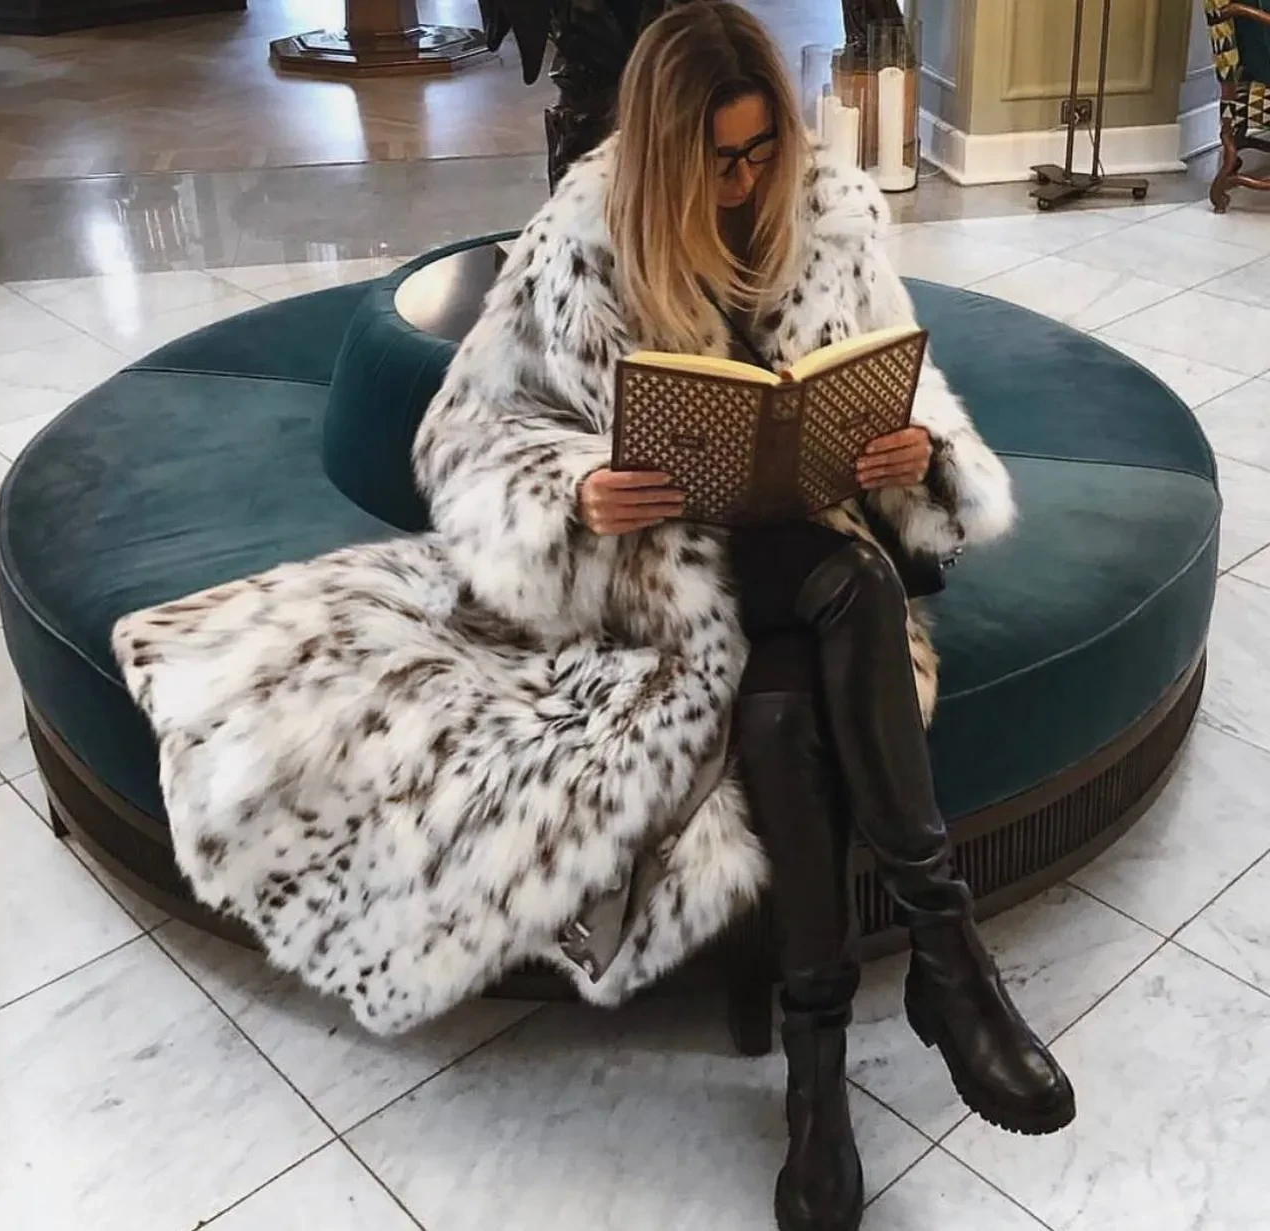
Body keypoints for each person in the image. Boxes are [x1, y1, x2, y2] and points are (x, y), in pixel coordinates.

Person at [113, 5, 1073, 1229]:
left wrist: (912, 452)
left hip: (804, 552)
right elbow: (463, 437)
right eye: (716, 160)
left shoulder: (827, 213)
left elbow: (908, 388)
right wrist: (575, 489)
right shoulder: (583, 232)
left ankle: (819, 1068)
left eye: (759, 151)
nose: (743, 182)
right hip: (644, 585)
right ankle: (945, 953)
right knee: (847, 592)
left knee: (787, 698)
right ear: (663, 151)